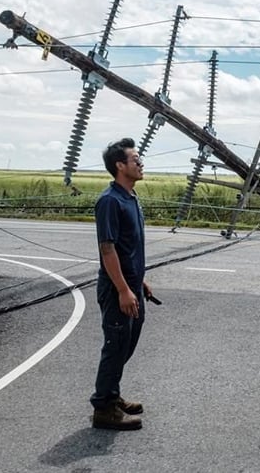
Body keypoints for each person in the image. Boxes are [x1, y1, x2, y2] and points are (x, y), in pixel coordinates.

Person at [90, 137, 153, 430]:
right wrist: (124, 290)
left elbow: (129, 247)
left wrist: (139, 281)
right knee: (115, 346)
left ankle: (111, 395)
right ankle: (103, 409)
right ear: (120, 166)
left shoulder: (130, 198)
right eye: (135, 159)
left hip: (131, 286)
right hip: (118, 290)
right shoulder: (110, 201)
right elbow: (108, 250)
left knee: (125, 344)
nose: (140, 164)